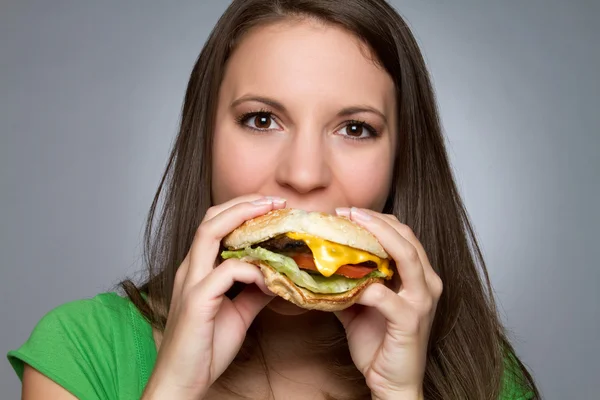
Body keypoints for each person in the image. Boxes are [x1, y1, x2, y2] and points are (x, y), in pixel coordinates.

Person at [8, 0, 540, 399]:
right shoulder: (80, 354)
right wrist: (172, 386)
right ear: (206, 139)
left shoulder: (486, 374)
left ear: (402, 156)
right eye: (261, 120)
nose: (304, 174)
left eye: (355, 128)